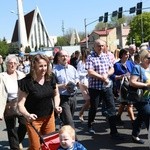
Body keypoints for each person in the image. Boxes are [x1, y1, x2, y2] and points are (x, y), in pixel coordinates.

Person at [17, 54, 62, 150]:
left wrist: (56, 106)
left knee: (50, 145)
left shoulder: (50, 77)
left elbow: (56, 93)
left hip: (49, 117)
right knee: (35, 147)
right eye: (40, 66)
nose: (44, 69)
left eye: (45, 65)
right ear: (34, 66)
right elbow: (20, 104)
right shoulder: (26, 82)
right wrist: (27, 115)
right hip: (33, 120)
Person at [86, 39, 122, 139]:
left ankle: (114, 132)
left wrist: (107, 74)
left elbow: (112, 69)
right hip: (95, 88)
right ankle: (90, 125)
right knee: (94, 107)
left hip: (106, 87)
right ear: (94, 46)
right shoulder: (90, 57)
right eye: (99, 46)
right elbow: (90, 71)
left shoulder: (106, 56)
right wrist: (102, 77)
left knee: (111, 108)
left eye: (102, 46)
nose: (101, 47)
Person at [0, 55, 27, 150]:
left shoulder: (21, 75)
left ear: (17, 64)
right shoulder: (2, 76)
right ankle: (15, 147)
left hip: (21, 103)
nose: (12, 65)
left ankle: (16, 142)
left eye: (14, 63)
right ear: (6, 64)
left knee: (24, 125)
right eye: (10, 63)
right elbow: (0, 95)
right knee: (11, 129)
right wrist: (0, 112)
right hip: (8, 105)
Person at [53, 50, 80, 128]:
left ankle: (63, 133)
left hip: (73, 97)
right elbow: (52, 85)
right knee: (69, 122)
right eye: (62, 56)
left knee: (68, 120)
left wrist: (77, 83)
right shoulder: (54, 70)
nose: (65, 58)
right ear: (58, 58)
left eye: (66, 56)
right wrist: (62, 85)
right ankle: (74, 140)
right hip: (63, 98)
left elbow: (77, 78)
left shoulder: (72, 68)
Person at [129, 49, 150, 144]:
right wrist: (145, 85)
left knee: (141, 117)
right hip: (140, 98)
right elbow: (132, 82)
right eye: (148, 57)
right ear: (143, 58)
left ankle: (134, 135)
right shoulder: (138, 67)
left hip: (149, 97)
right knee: (148, 115)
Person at [111, 48, 135, 125]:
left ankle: (118, 116)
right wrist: (120, 77)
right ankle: (133, 122)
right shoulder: (116, 65)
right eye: (126, 54)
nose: (127, 56)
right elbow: (112, 76)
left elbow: (135, 72)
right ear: (121, 55)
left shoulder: (130, 63)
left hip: (131, 85)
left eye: (128, 54)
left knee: (124, 103)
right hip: (122, 87)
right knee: (129, 104)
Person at [77, 49, 90, 122]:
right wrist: (86, 73)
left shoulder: (90, 62)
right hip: (83, 82)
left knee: (91, 101)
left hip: (90, 82)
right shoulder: (80, 63)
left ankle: (89, 115)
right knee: (88, 100)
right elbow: (78, 73)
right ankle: (81, 113)